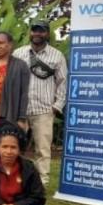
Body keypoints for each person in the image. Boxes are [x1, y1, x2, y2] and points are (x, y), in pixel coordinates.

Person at [12, 20, 67, 186]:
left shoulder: (57, 55)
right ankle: (15, 179)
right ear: (30, 32)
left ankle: (41, 182)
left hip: (44, 110)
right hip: (20, 110)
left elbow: (63, 82)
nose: (37, 34)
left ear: (47, 33)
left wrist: (57, 106)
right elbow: (11, 80)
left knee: (42, 149)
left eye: (41, 31)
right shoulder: (18, 53)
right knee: (15, 146)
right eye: (34, 30)